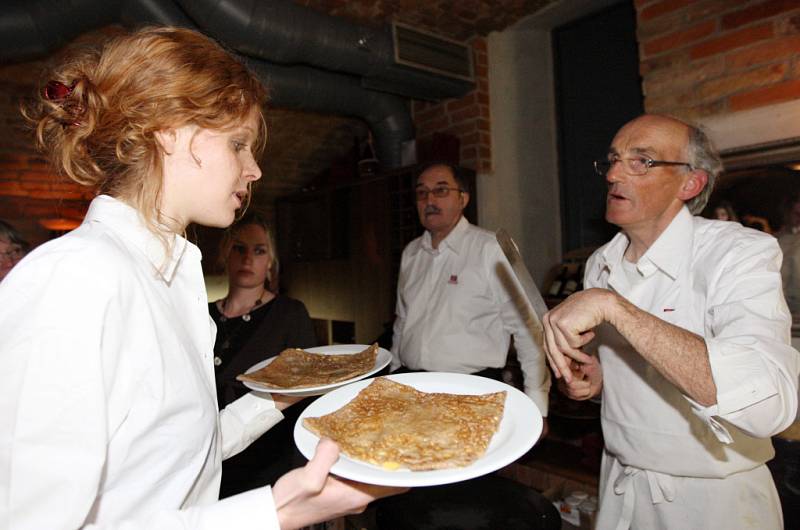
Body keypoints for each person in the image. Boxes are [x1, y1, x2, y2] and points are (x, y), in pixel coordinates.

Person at [0, 26, 402, 530]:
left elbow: (187, 454)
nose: (253, 169)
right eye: (238, 144)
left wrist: (277, 397)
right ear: (169, 131)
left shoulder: (176, 282)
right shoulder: (73, 279)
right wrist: (272, 513)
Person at [543, 114, 799, 529]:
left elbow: (769, 403)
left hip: (714, 503)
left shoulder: (738, 252)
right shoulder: (600, 264)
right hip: (620, 486)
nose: (611, 174)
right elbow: (632, 378)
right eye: (612, 160)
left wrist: (615, 307)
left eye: (641, 161)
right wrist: (594, 384)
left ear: (690, 184)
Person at [390, 162, 550, 418]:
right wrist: (393, 376)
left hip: (474, 391)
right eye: (422, 193)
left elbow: (528, 328)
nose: (429, 199)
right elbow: (402, 322)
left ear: (463, 198)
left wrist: (537, 405)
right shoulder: (411, 253)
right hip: (412, 388)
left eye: (441, 190)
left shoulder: (492, 249)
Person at [210, 212, 317, 496]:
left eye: (259, 251)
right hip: (207, 463)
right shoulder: (202, 313)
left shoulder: (290, 314)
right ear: (225, 254)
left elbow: (308, 394)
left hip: (266, 466)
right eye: (239, 248)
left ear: (270, 262)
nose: (248, 259)